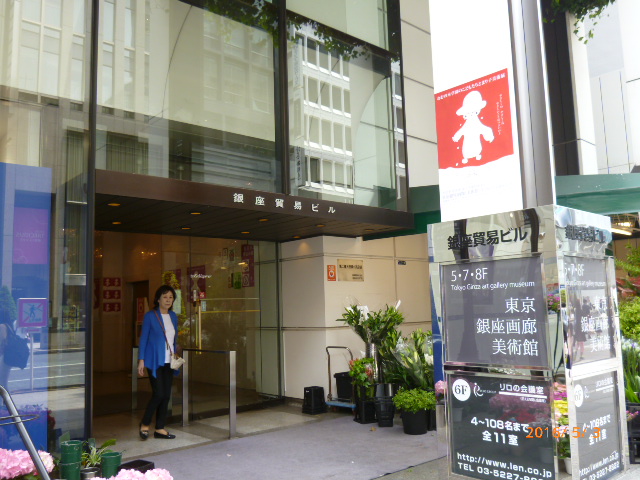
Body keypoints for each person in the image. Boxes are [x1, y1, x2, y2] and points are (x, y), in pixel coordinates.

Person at [137, 285, 179, 440]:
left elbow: (174, 338)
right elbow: (143, 338)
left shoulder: (173, 316)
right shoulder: (150, 316)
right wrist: (141, 360)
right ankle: (145, 423)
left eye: (171, 297)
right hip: (154, 360)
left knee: (166, 395)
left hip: (169, 361)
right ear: (158, 299)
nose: (168, 300)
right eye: (165, 297)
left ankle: (160, 428)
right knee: (159, 394)